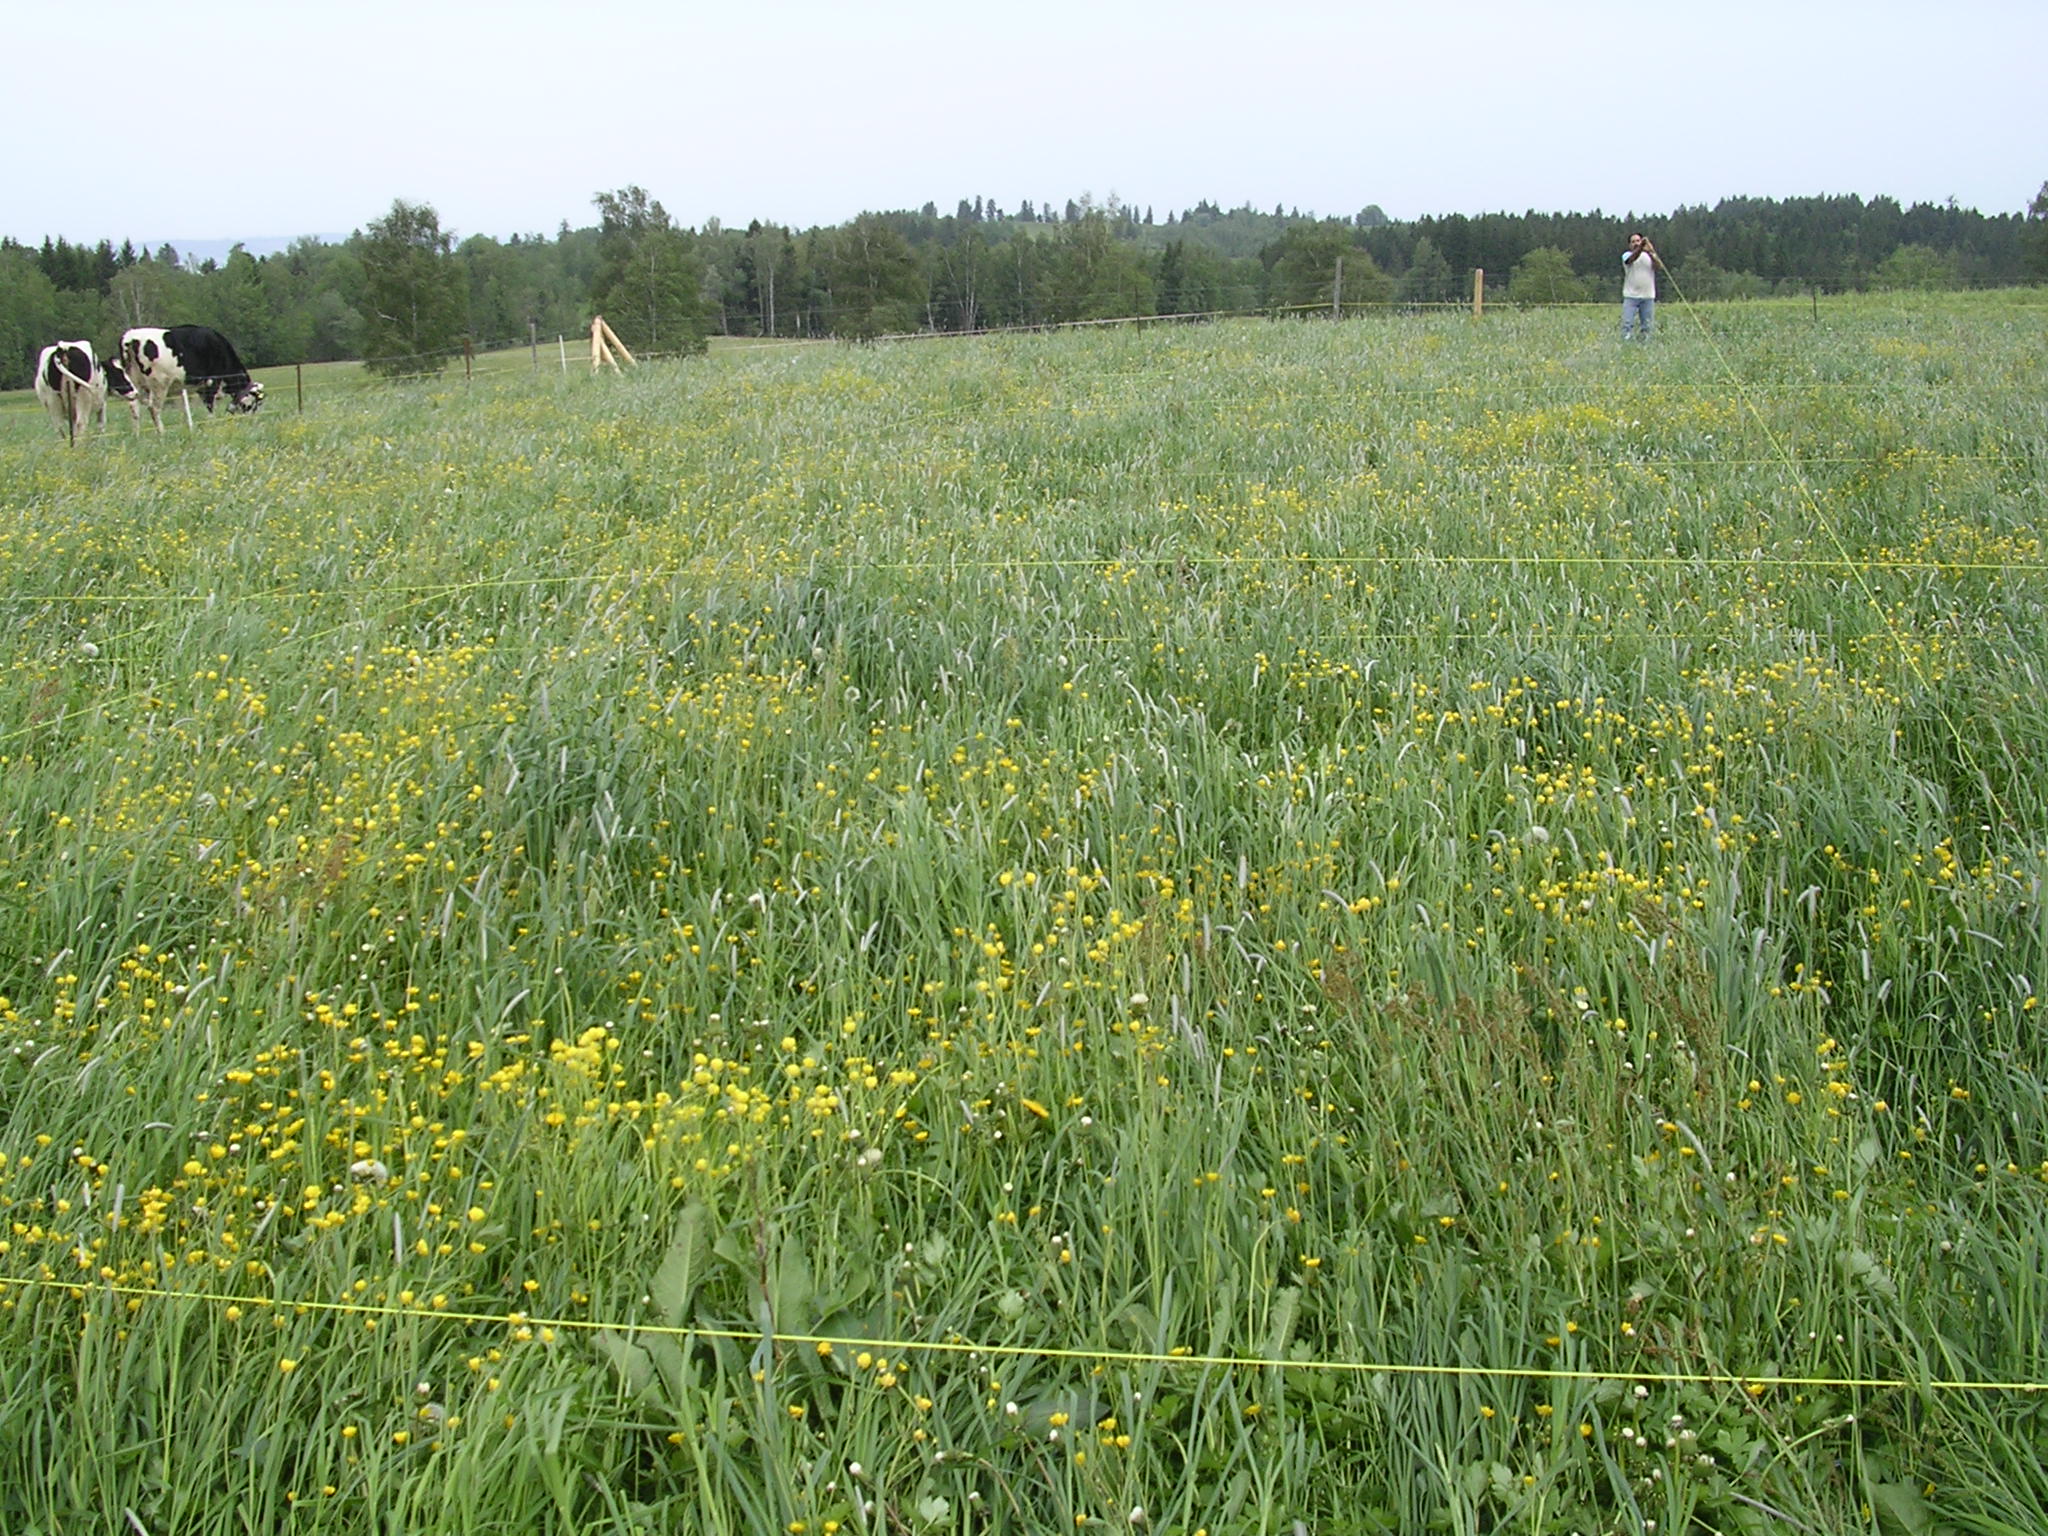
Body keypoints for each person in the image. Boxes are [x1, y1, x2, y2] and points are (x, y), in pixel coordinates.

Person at [1621, 232, 1661, 341]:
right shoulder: (1627, 255)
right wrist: (1640, 247)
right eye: (1633, 242)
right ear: (1629, 245)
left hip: (1648, 296)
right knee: (1627, 323)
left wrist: (1651, 251)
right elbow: (1631, 260)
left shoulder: (1649, 256)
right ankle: (1626, 343)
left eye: (1638, 241)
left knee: (1647, 326)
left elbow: (1658, 266)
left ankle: (1645, 345)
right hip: (1630, 296)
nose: (1636, 243)